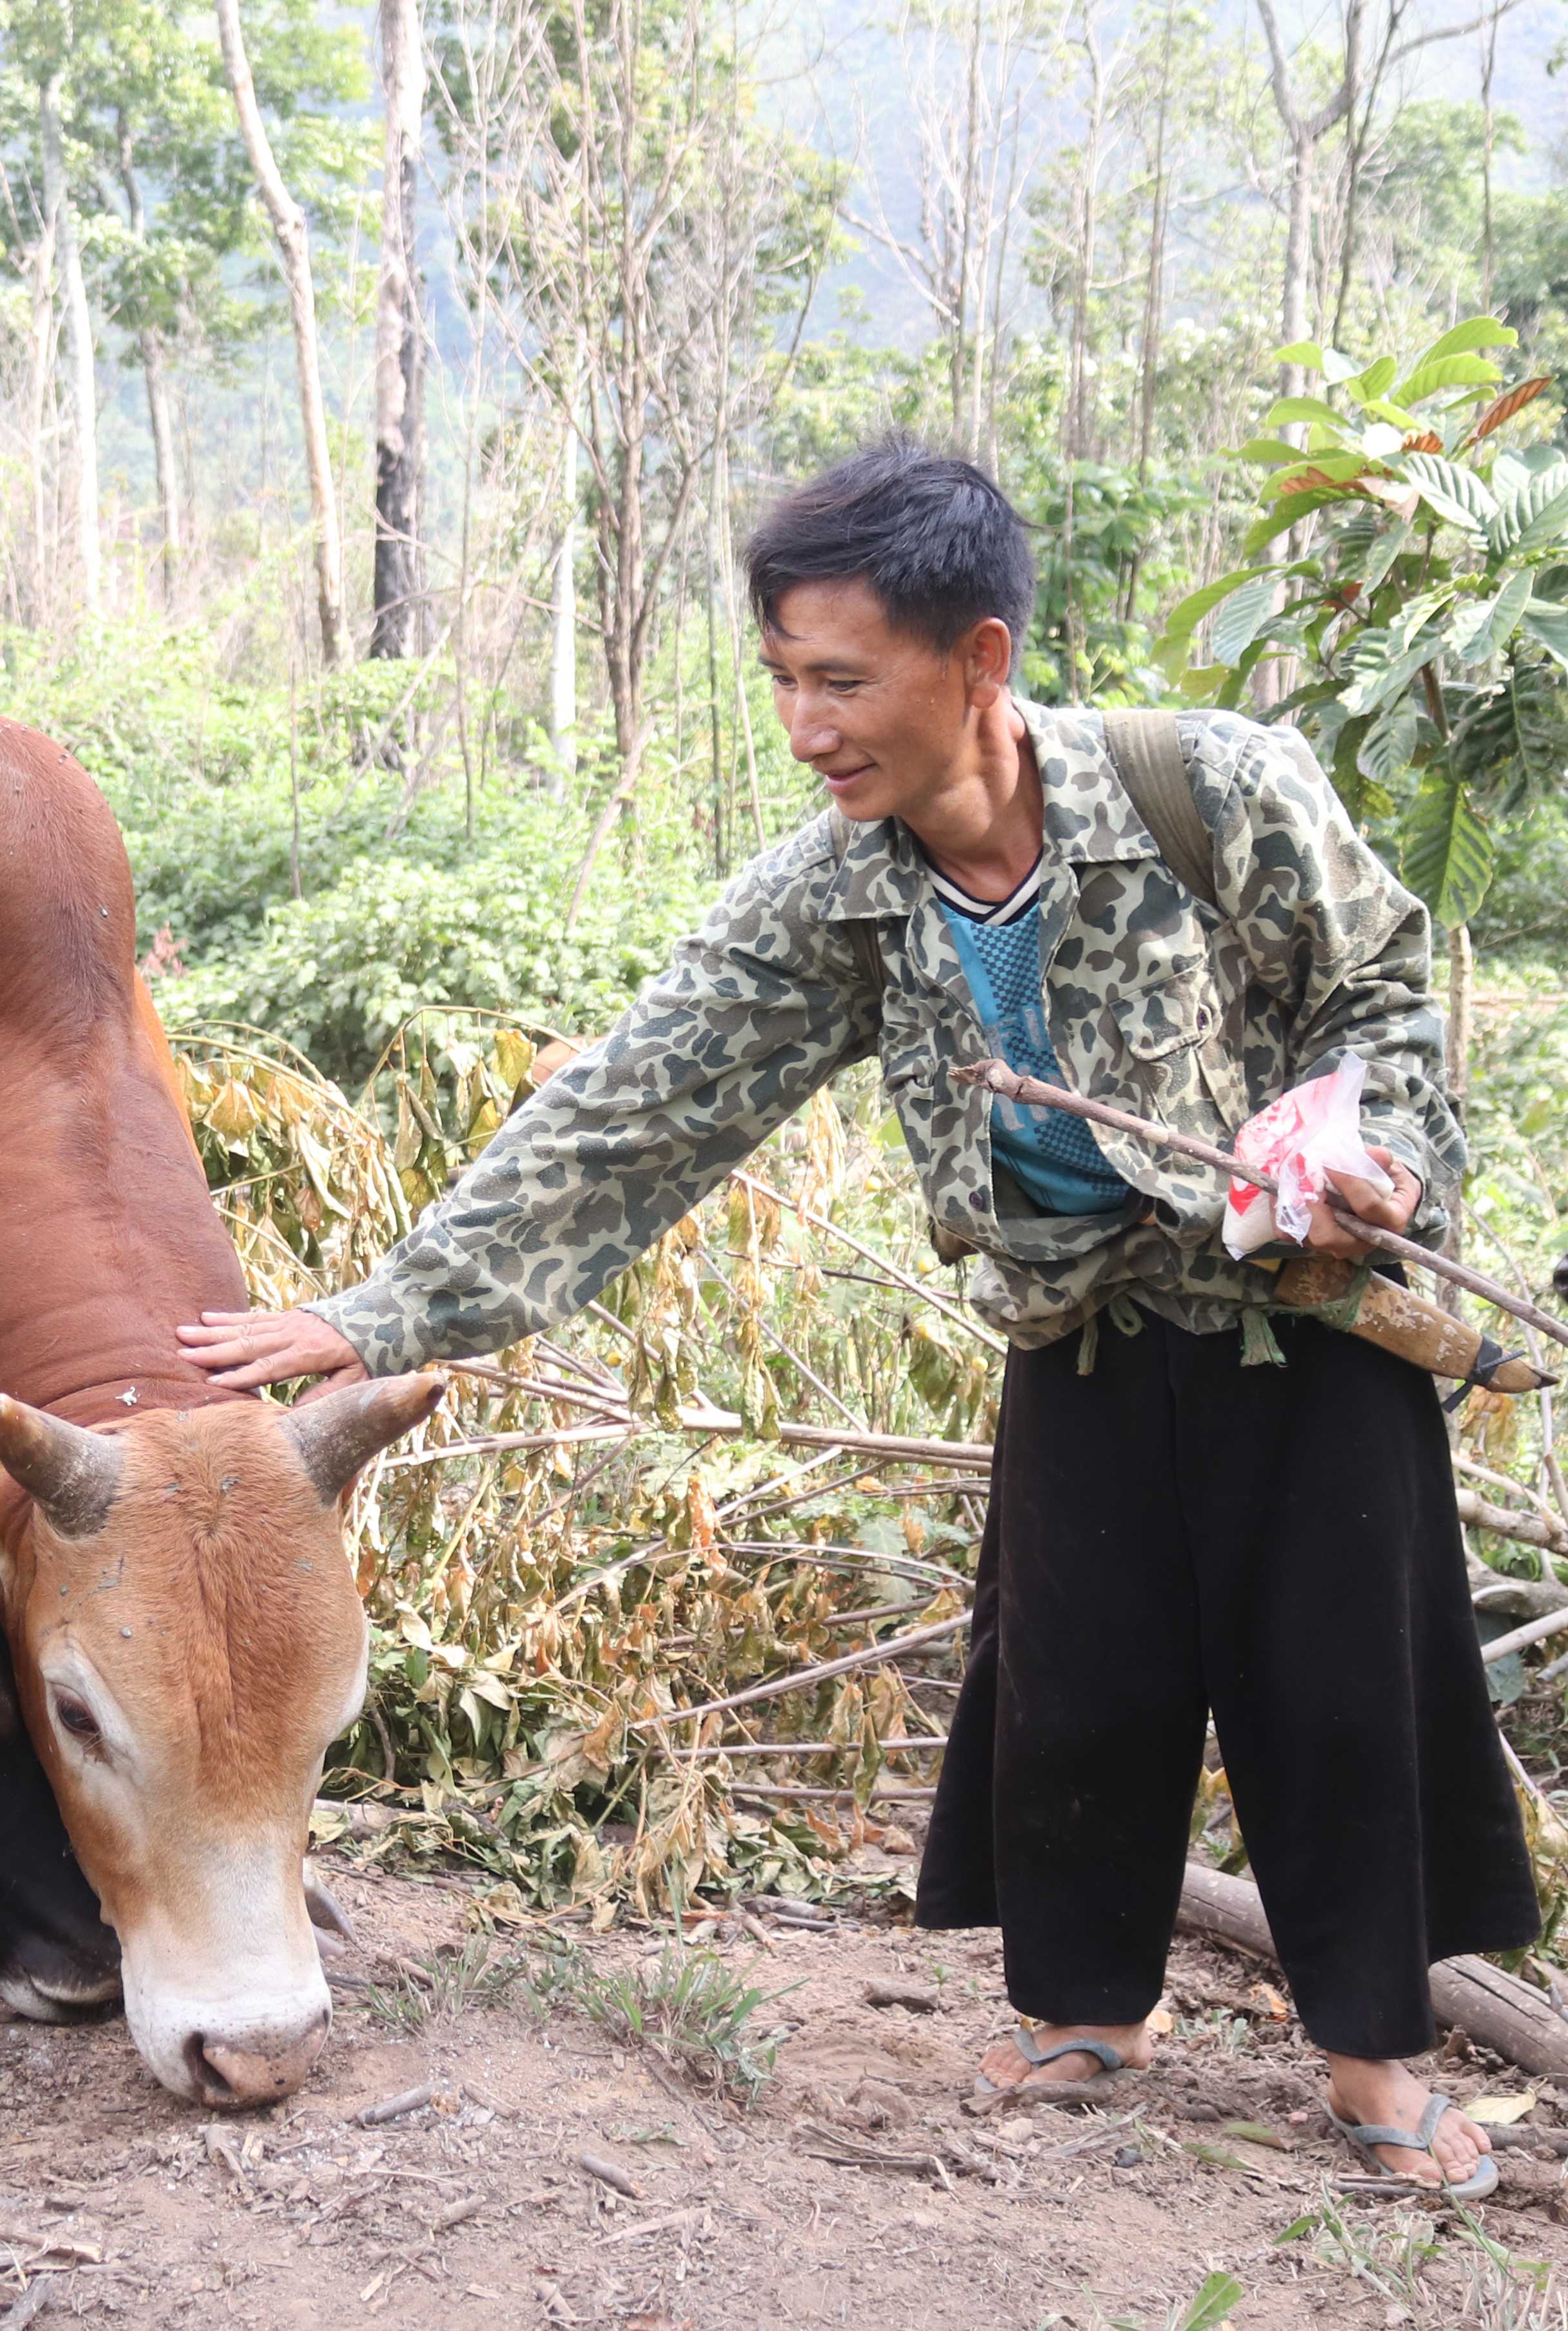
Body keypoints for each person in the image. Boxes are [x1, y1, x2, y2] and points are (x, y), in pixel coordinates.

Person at [181, 439, 1537, 2195]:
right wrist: (380, 1309)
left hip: (1302, 1330)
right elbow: (646, 1108)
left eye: (842, 678)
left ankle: (1372, 2062)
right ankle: (1089, 2013)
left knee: (1342, 1688)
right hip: (1080, 1331)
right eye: (781, 682)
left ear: (975, 661)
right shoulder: (842, 890)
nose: (808, 725)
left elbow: (1380, 992)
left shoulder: (1216, 788)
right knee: (1077, 1678)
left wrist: (1383, 1155)